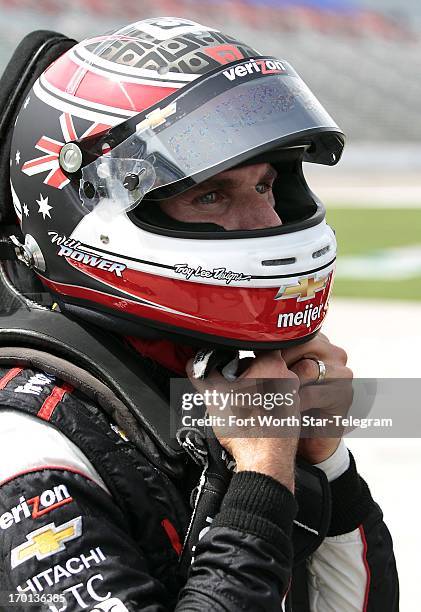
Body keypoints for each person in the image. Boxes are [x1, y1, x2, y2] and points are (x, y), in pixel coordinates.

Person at [0, 17, 398, 612]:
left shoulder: (200, 377)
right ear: (87, 211)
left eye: (266, 186)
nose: (266, 224)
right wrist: (260, 481)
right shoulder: (26, 443)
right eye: (211, 196)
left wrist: (327, 467)